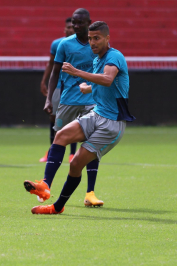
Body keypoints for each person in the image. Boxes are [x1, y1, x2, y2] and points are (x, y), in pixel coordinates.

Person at [27, 21, 134, 214]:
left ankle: (57, 207)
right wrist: (89, 87)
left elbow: (108, 79)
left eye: (97, 38)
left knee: (76, 163)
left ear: (107, 38)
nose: (92, 42)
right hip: (97, 114)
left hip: (111, 124)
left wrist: (77, 72)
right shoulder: (97, 59)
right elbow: (107, 82)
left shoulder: (114, 56)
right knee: (60, 136)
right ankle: (44, 185)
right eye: (91, 38)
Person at [25, 8, 104, 207]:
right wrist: (49, 99)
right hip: (67, 101)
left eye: (80, 23)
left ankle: (90, 193)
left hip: (91, 102)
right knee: (58, 141)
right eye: (74, 23)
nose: (76, 26)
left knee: (91, 144)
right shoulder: (64, 44)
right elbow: (54, 72)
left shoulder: (98, 45)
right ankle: (45, 186)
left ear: (89, 23)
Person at [39, 17, 77, 163]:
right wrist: (44, 81)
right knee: (54, 118)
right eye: (68, 27)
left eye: (72, 27)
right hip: (58, 87)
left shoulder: (83, 45)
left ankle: (72, 154)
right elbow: (51, 65)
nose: (70, 30)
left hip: (73, 87)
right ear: (64, 29)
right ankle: (50, 151)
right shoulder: (57, 44)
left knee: (73, 119)